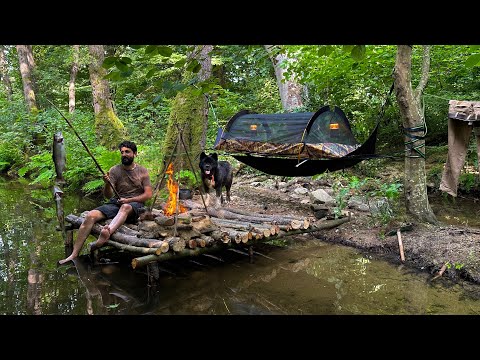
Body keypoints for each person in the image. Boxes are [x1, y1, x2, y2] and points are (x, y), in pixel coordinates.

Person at [58, 140, 153, 265]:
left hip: (135, 205)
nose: (124, 154)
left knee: (125, 206)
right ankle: (74, 254)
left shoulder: (142, 171)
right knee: (91, 215)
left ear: (135, 154)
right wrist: (107, 184)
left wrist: (129, 200)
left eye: (127, 152)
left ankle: (106, 233)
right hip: (116, 202)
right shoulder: (114, 170)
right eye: (122, 152)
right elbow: (108, 196)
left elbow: (148, 194)